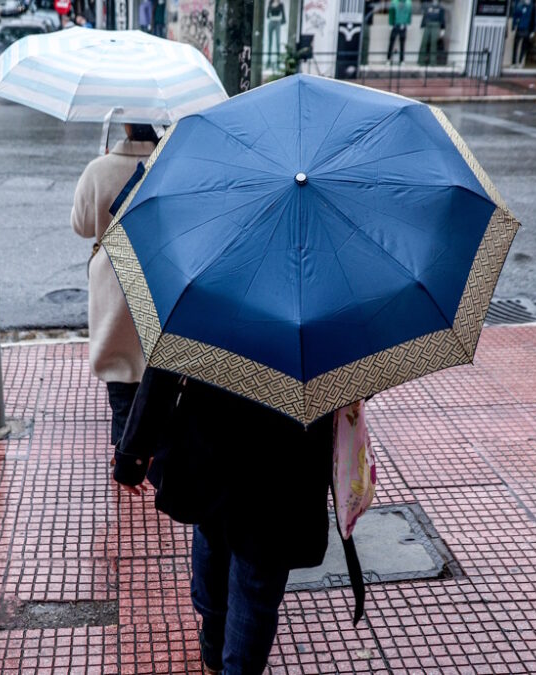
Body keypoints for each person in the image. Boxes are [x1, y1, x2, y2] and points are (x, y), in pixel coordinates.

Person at [113, 369, 335, 675]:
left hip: (213, 429)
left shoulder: (205, 317)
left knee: (212, 526)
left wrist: (134, 451)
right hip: (292, 448)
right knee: (260, 568)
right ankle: (227, 656)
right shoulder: (333, 320)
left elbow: (167, 363)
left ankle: (214, 642)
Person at [70, 123, 159, 459]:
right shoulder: (171, 162)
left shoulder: (99, 169)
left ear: (124, 126)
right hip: (160, 274)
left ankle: (125, 456)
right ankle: (156, 458)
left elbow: (81, 226)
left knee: (121, 380)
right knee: (157, 379)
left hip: (112, 276)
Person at [509, 0, 536, 66]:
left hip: (527, 28)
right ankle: (514, 62)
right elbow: (516, 16)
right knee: (516, 45)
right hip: (520, 27)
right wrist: (513, 27)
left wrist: (533, 31)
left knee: (524, 46)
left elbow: (534, 19)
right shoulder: (520, 5)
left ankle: (520, 61)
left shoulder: (532, 7)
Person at [265, 0, 285, 68]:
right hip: (271, 22)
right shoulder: (270, 3)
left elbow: (283, 15)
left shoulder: (281, 4)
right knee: (270, 42)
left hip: (277, 22)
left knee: (277, 42)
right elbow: (267, 14)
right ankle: (269, 61)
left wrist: (281, 21)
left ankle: (278, 62)